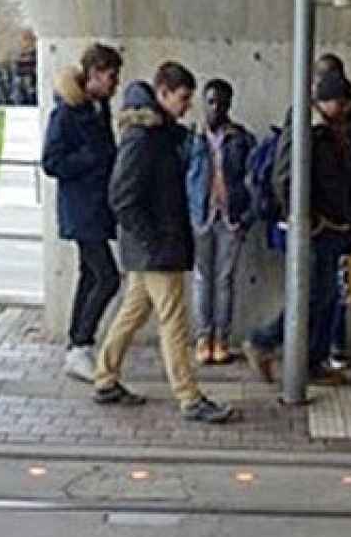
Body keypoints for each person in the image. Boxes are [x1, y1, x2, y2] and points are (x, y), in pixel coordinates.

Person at [93, 65, 235, 424]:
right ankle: (189, 397)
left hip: (151, 244)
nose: (188, 106)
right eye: (183, 98)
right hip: (157, 246)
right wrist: (152, 239)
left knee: (133, 312)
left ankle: (105, 377)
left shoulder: (156, 134)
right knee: (174, 322)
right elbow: (122, 197)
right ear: (163, 93)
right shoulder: (143, 137)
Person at [244, 71, 351, 385]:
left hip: (332, 227)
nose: (345, 111)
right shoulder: (306, 128)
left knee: (326, 297)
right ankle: (264, 340)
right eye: (342, 104)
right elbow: (283, 177)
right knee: (309, 298)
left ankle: (312, 361)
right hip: (316, 229)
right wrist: (307, 217)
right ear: (331, 101)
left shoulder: (328, 129)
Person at [42, 44, 123, 383]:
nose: (116, 83)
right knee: (107, 277)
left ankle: (77, 346)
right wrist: (92, 158)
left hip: (96, 207)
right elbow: (51, 162)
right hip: (82, 209)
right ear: (93, 74)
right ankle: (80, 345)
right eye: (111, 76)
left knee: (90, 276)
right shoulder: (67, 113)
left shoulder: (98, 108)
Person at [185, 79, 255, 365]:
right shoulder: (192, 137)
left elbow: (253, 179)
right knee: (202, 279)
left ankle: (221, 338)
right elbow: (181, 177)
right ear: (203, 103)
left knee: (224, 279)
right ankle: (203, 336)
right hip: (200, 216)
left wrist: (246, 216)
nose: (216, 108)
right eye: (211, 101)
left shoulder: (241, 138)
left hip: (230, 217)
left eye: (222, 103)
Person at [313, 54, 351, 372]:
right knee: (321, 287)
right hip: (321, 218)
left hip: (344, 213)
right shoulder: (313, 120)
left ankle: (332, 345)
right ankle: (314, 347)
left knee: (337, 283)